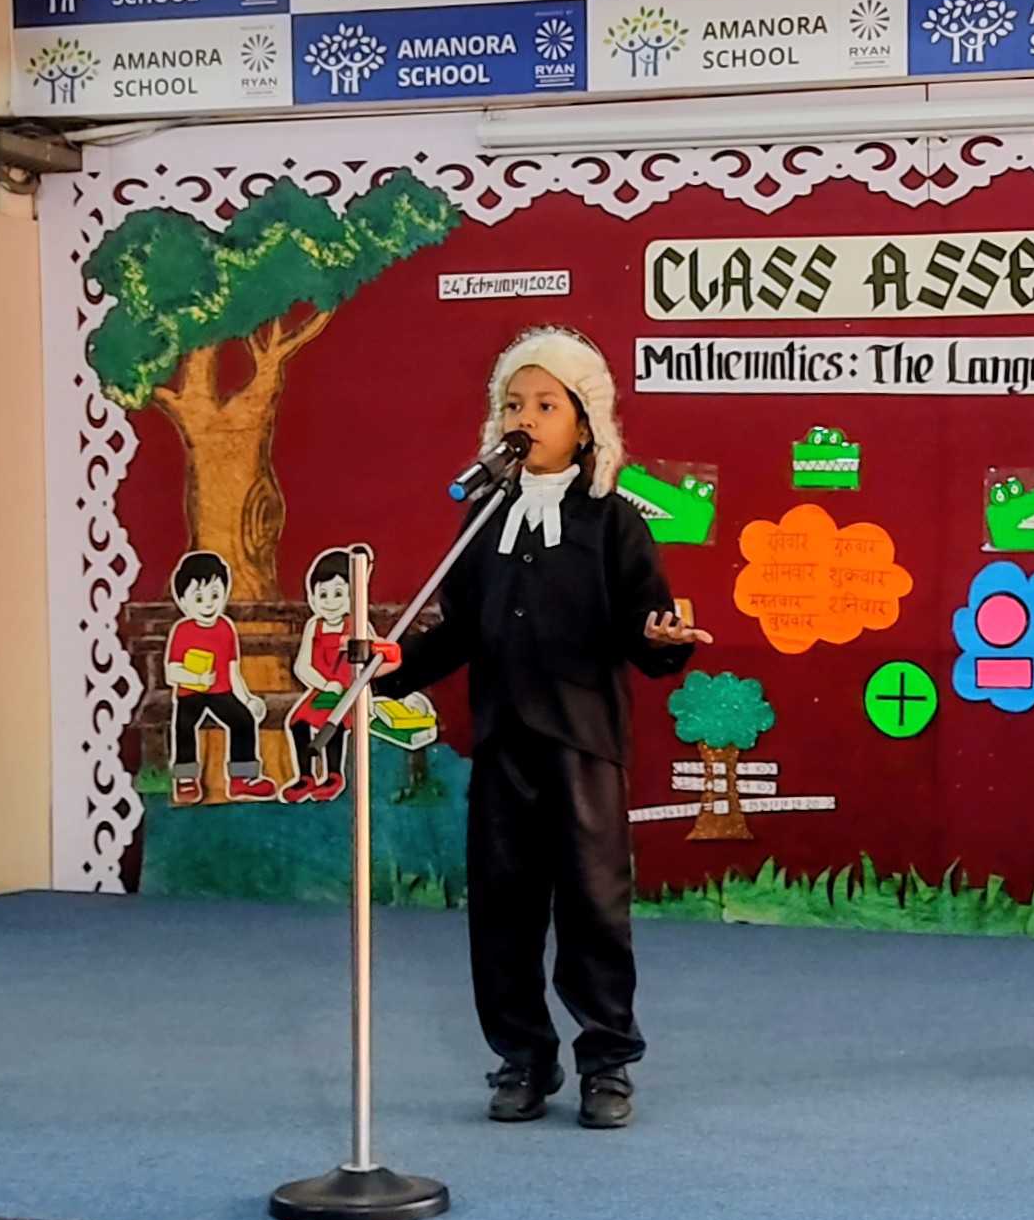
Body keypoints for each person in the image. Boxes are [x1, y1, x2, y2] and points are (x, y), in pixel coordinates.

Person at [374, 328, 709, 1130]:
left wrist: (663, 641)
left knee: (594, 907)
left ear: (585, 423)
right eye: (512, 404)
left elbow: (646, 629)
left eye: (545, 405)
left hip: (583, 744)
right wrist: (393, 667)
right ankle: (522, 1056)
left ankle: (607, 1060)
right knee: (502, 909)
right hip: (503, 745)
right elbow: (458, 630)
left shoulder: (614, 523)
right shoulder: (482, 521)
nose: (524, 417)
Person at [162, 550, 275, 805]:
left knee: (244, 720)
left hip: (221, 692)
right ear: (183, 601)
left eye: (215, 595)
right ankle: (186, 778)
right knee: (184, 725)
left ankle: (242, 778)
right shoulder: (182, 630)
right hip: (190, 693)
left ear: (225, 593)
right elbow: (171, 672)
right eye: (198, 598)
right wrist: (196, 678)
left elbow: (234, 669)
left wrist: (247, 699)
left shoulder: (225, 628)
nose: (208, 604)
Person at [282, 545, 363, 804]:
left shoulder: (357, 625)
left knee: (334, 724)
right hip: (322, 690)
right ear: (313, 597)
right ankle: (305, 775)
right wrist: (324, 684)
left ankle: (333, 775)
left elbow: (372, 660)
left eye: (338, 593)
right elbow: (301, 666)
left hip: (348, 695)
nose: (330, 602)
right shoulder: (313, 626)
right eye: (323, 594)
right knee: (298, 723)